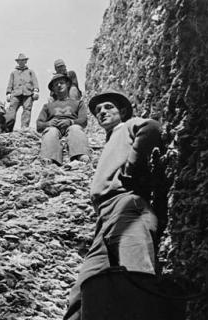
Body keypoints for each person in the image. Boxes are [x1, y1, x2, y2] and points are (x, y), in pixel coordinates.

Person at [63, 90, 166, 320]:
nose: (102, 112)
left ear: (123, 111)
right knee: (84, 290)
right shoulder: (111, 140)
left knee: (136, 278)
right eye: (98, 111)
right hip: (104, 219)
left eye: (108, 107)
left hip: (127, 206)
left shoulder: (128, 126)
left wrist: (132, 168)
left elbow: (151, 127)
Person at [36, 73, 89, 166]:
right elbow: (39, 124)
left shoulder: (78, 103)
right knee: (51, 131)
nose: (59, 85)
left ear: (67, 84)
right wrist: (49, 123)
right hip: (54, 128)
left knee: (75, 128)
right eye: (56, 85)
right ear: (53, 89)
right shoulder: (47, 106)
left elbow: (83, 120)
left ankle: (80, 155)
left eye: (61, 83)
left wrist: (70, 122)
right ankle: (49, 158)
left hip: (71, 126)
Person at [5, 53, 39, 130]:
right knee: (11, 110)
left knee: (27, 110)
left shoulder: (30, 72)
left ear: (25, 61)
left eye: (23, 60)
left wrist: (36, 90)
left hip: (28, 93)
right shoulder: (13, 73)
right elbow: (10, 83)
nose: (21, 62)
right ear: (17, 62)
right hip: (16, 94)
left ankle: (24, 128)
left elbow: (35, 81)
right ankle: (8, 128)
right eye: (20, 61)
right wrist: (8, 93)